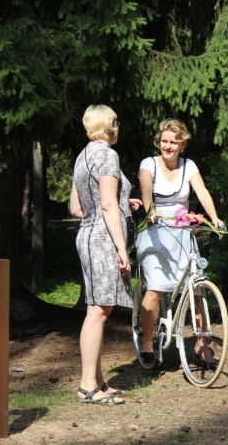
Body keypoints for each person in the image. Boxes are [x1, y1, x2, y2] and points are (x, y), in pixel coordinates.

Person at [136, 118, 224, 368]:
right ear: (159, 142)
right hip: (156, 232)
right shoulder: (149, 164)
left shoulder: (189, 166)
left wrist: (215, 219)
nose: (167, 146)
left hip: (182, 232)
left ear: (182, 145)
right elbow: (146, 190)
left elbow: (202, 192)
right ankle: (147, 340)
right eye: (164, 141)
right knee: (155, 287)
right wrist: (151, 211)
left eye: (173, 142)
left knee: (196, 288)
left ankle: (202, 344)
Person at [72, 105, 141, 406]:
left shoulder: (83, 156)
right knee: (98, 311)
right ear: (110, 126)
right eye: (117, 123)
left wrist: (125, 202)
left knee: (99, 309)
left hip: (87, 234)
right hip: (103, 239)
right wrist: (122, 248)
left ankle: (97, 381)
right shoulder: (108, 155)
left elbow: (76, 208)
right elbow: (107, 205)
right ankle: (88, 385)